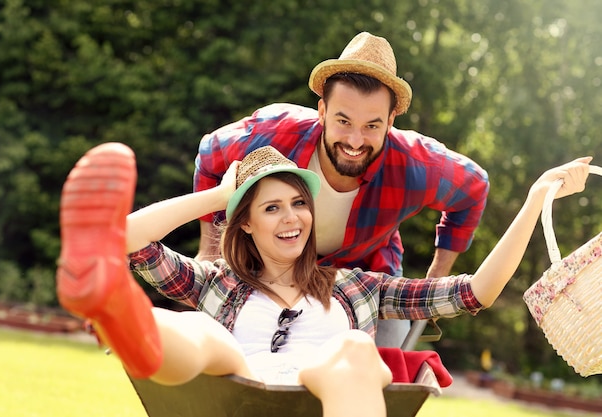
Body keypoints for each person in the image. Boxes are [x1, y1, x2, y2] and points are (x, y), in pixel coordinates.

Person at [56, 142, 590, 417]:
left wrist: (534, 199)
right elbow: (122, 238)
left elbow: (475, 292)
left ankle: (121, 317)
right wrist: (224, 196)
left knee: (356, 349)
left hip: (326, 392)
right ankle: (120, 315)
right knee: (206, 333)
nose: (292, 218)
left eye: (298, 204)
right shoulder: (219, 283)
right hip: (242, 384)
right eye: (270, 207)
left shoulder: (357, 286)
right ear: (245, 223)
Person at [193, 31, 490, 347]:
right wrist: (209, 251)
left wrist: (437, 277)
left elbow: (474, 188)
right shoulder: (275, 133)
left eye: (372, 126)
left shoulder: (417, 165)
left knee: (389, 358)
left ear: (391, 120)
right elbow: (210, 155)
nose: (355, 141)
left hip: (364, 283)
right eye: (343, 121)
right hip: (264, 269)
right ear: (322, 111)